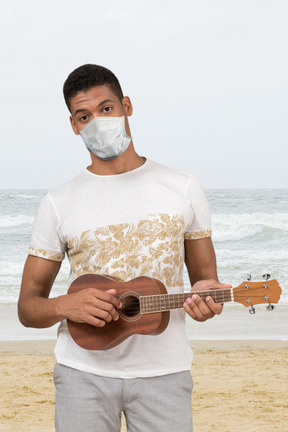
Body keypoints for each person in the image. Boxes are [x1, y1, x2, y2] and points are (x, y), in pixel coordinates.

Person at [18, 64, 230, 432]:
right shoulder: (57, 202)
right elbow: (28, 307)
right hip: (81, 373)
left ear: (126, 106)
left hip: (165, 373)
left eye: (106, 108)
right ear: (74, 125)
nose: (98, 121)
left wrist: (207, 302)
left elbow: (205, 282)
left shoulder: (183, 186)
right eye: (85, 115)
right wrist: (63, 305)